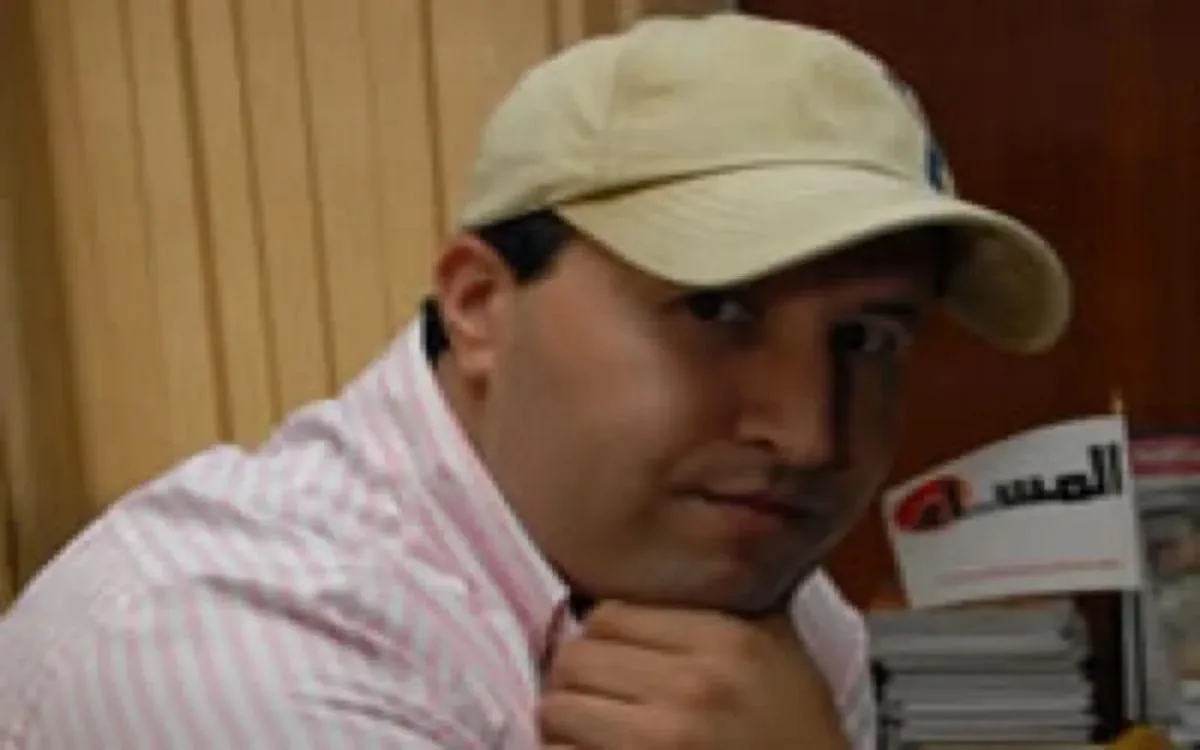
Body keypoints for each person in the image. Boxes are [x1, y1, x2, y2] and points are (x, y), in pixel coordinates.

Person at [0, 12, 1070, 749]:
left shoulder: (749, 582)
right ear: (477, 306)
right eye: (716, 310)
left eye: (868, 339)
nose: (807, 436)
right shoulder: (233, 650)